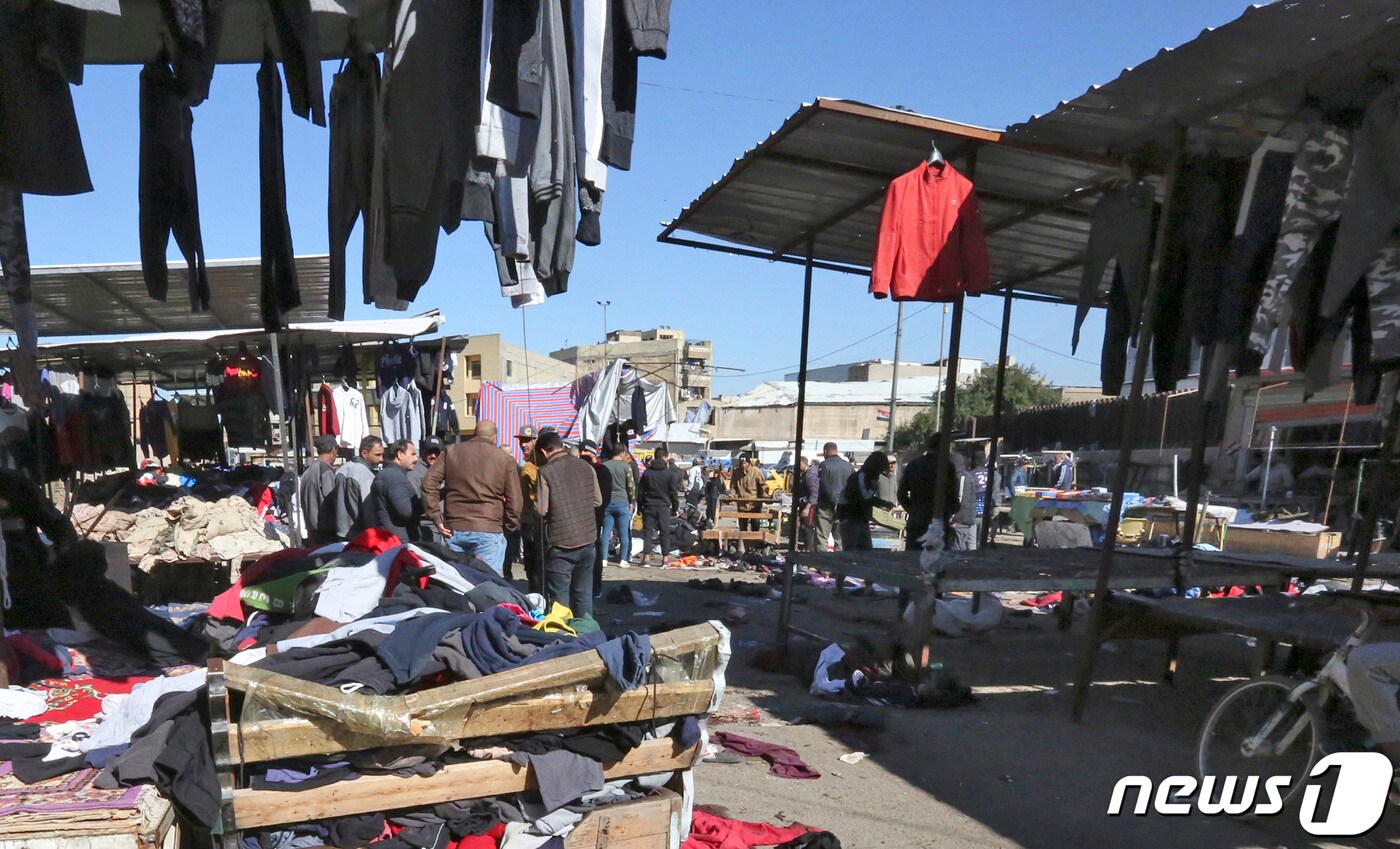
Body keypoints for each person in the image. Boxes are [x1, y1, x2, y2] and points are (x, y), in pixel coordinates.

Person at [421, 420, 522, 575]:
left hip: (455, 527)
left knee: (459, 581)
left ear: (474, 434)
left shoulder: (451, 452)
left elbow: (428, 483)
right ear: (494, 438)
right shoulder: (505, 459)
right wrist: (508, 526)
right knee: (486, 582)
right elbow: (515, 501)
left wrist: (436, 516)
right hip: (489, 528)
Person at [536, 431, 603, 618]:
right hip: (588, 539)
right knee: (583, 594)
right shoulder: (586, 466)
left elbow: (541, 510)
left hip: (561, 543)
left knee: (559, 598)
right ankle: (587, 630)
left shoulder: (545, 472)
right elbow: (598, 501)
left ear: (544, 451)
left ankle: (562, 633)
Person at [897, 433, 959, 551]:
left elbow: (901, 494)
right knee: (937, 558)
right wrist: (950, 511)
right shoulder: (947, 467)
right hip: (939, 522)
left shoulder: (913, 465)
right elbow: (953, 496)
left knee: (913, 558)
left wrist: (913, 510)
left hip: (917, 522)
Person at [838, 452, 894, 551]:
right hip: (850, 518)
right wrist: (881, 502)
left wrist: (884, 504)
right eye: (879, 471)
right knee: (853, 550)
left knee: (865, 549)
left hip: (861, 519)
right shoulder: (859, 478)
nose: (879, 474)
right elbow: (863, 498)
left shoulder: (866, 479)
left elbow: (868, 498)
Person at [370, 439, 421, 541]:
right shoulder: (395, 477)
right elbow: (406, 511)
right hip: (400, 540)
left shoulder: (385, 474)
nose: (416, 458)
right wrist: (427, 502)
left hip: (389, 538)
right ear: (400, 454)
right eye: (413, 454)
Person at [579, 439, 611, 597]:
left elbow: (604, 499)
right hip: (578, 518)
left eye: (586, 451)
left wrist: (595, 511)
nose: (583, 454)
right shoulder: (576, 469)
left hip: (594, 518)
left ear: (594, 453)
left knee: (594, 552)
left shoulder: (602, 471)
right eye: (581, 451)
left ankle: (595, 586)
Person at [638, 448, 682, 565]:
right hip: (664, 506)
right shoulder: (670, 474)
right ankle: (665, 559)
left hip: (649, 505)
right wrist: (675, 508)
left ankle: (646, 558)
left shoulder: (647, 472)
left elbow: (641, 491)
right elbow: (673, 493)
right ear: (664, 457)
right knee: (664, 532)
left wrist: (639, 507)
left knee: (648, 532)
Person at [334, 435, 382, 539]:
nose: (381, 459)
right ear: (364, 453)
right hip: (359, 535)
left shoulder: (342, 469)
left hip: (341, 531)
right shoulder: (365, 476)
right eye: (377, 455)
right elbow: (369, 511)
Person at [516, 425, 544, 591]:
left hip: (535, 522)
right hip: (527, 521)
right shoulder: (526, 466)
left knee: (535, 567)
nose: (523, 445)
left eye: (527, 441)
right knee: (532, 567)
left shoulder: (531, 468)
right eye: (521, 441)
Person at [299, 434, 340, 545]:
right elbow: (332, 500)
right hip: (325, 530)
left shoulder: (308, 471)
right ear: (334, 449)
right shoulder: (326, 471)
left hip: (312, 528)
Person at [602, 443, 637, 566]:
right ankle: (623, 560)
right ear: (622, 453)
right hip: (623, 501)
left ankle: (604, 559)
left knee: (606, 532)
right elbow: (631, 486)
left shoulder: (604, 466)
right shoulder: (626, 466)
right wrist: (632, 501)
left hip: (608, 502)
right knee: (624, 533)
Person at [815, 442, 854, 550]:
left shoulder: (824, 465)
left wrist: (833, 500)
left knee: (822, 537)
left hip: (826, 507)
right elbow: (852, 487)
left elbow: (824, 485)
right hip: (844, 506)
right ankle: (840, 559)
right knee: (840, 538)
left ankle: (821, 559)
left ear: (825, 452)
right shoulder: (849, 466)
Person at [407, 437, 442, 541]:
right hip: (425, 526)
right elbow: (416, 502)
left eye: (436, 453)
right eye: (430, 452)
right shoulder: (414, 472)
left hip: (440, 526)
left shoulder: (441, 468)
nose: (433, 456)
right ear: (423, 452)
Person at [949, 451, 979, 550]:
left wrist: (953, 518)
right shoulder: (964, 476)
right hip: (965, 518)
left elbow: (961, 498)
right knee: (962, 546)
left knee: (956, 547)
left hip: (960, 520)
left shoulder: (962, 478)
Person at [731, 456, 767, 533]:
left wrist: (765, 495)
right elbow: (733, 487)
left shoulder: (756, 471)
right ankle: (743, 540)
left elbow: (762, 485)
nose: (743, 465)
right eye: (741, 463)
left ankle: (755, 540)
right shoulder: (736, 472)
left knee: (755, 526)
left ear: (749, 463)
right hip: (742, 504)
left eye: (745, 463)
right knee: (742, 527)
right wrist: (731, 495)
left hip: (754, 504)